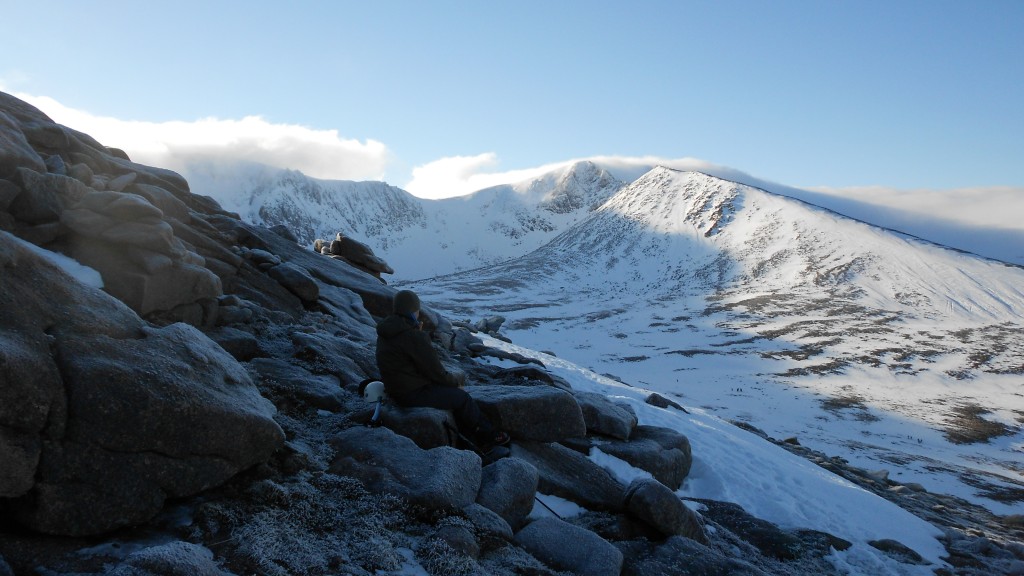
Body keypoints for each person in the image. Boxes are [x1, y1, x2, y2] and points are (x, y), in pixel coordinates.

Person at [375, 289, 509, 452]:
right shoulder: (412, 336)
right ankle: (487, 436)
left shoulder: (387, 330)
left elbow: (406, 359)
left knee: (451, 396)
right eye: (417, 310)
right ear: (412, 311)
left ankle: (469, 434)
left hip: (395, 389)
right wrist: (455, 383)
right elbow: (435, 371)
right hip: (411, 393)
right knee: (462, 398)